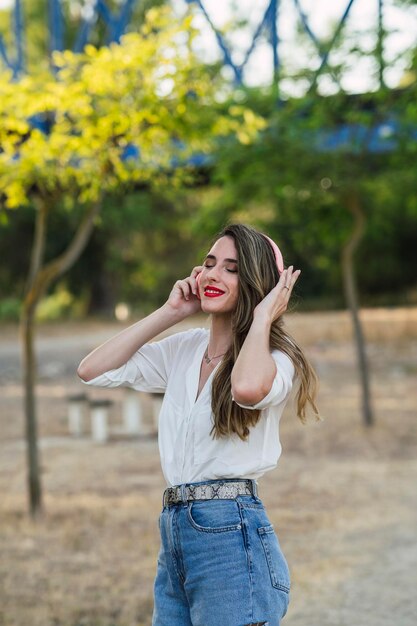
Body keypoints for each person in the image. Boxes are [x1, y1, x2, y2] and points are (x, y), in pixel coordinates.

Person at [77, 223, 319, 626]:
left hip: (232, 536)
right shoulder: (184, 350)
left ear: (258, 283)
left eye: (231, 269)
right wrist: (169, 313)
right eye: (209, 264)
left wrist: (261, 319)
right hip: (175, 535)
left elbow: (244, 388)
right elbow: (92, 370)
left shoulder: (277, 359)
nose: (212, 275)